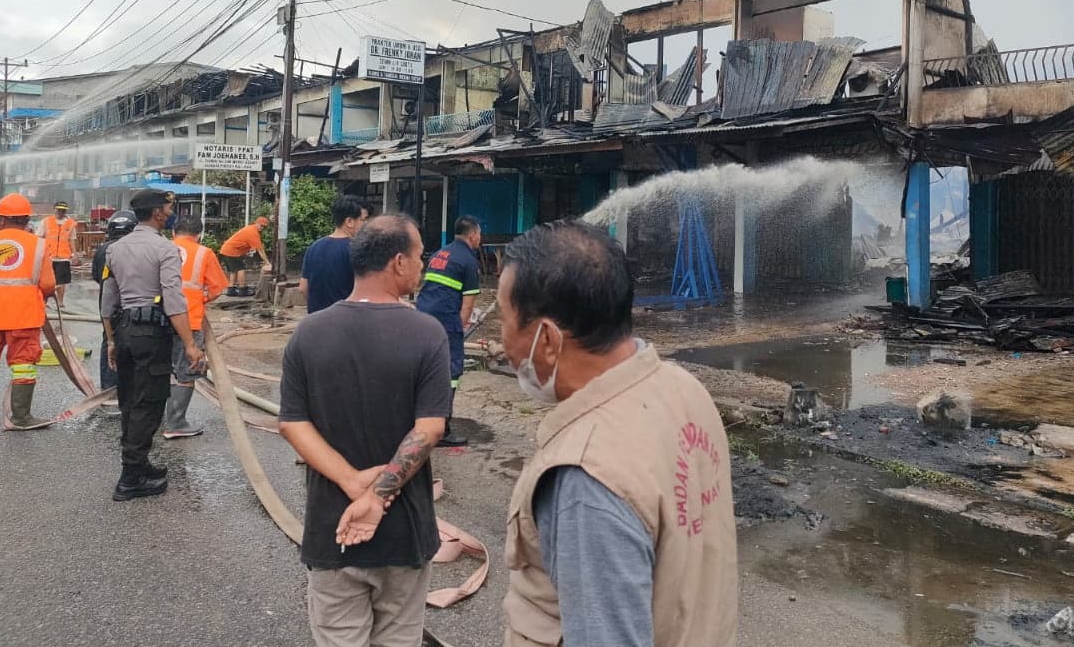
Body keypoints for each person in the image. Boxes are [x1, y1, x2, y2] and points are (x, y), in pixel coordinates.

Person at [498, 221, 737, 647]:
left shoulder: (587, 476)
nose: (501, 341)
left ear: (548, 339)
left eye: (503, 319)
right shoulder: (684, 389)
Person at [279, 214, 450, 647]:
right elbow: (430, 428)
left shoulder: (308, 333)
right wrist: (377, 496)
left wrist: (353, 482)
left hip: (333, 530)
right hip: (404, 533)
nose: (423, 264)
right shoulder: (427, 333)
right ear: (398, 262)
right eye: (420, 255)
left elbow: (292, 424)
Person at [100, 189, 203, 501]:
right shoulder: (165, 249)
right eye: (169, 209)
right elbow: (173, 299)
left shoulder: (115, 249)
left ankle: (140, 463)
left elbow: (108, 300)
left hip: (124, 330)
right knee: (149, 402)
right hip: (150, 335)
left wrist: (111, 341)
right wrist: (190, 344)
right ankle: (130, 478)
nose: (171, 213)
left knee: (130, 399)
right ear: (158, 213)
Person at [0, 193, 57, 430]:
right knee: (23, 364)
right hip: (24, 316)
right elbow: (48, 284)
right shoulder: (39, 245)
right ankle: (21, 417)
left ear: (0, 219)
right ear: (26, 219)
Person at [413, 215, 482, 448]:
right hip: (446, 321)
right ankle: (442, 428)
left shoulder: (440, 254)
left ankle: (418, 420)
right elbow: (467, 305)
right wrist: (459, 330)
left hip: (423, 316)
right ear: (473, 235)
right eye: (479, 235)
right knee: (450, 373)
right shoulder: (469, 261)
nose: (480, 239)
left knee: (424, 368)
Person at [162, 216, 228, 439]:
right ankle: (176, 422)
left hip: (159, 319)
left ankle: (157, 418)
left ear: (173, 232)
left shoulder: (161, 248)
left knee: (161, 368)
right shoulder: (204, 253)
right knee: (186, 371)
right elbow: (217, 288)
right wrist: (200, 299)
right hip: (189, 320)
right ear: (199, 234)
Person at [92, 209, 138, 395]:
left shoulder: (103, 250)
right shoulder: (135, 248)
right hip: (132, 305)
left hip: (108, 305)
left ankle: (109, 388)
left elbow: (97, 276)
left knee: (109, 341)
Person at [298, 195, 369, 314]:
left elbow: (303, 288)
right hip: (347, 317)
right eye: (364, 220)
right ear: (349, 222)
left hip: (317, 318)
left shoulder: (314, 247)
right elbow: (367, 290)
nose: (367, 224)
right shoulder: (358, 249)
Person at [219, 216, 272, 297]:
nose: (262, 228)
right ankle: (242, 290)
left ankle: (231, 289)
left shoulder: (250, 229)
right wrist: (268, 263)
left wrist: (246, 252)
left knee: (233, 270)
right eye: (261, 225)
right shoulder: (253, 233)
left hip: (225, 249)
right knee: (241, 269)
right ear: (256, 223)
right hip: (232, 251)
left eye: (264, 227)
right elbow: (260, 250)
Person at [39, 199, 78, 308]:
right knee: (46, 281)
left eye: (63, 210)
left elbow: (72, 240)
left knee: (61, 281)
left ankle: (60, 302)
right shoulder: (46, 222)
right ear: (55, 209)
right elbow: (40, 237)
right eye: (59, 210)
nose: (61, 212)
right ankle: (44, 301)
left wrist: (74, 254)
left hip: (63, 257)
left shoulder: (70, 224)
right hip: (48, 256)